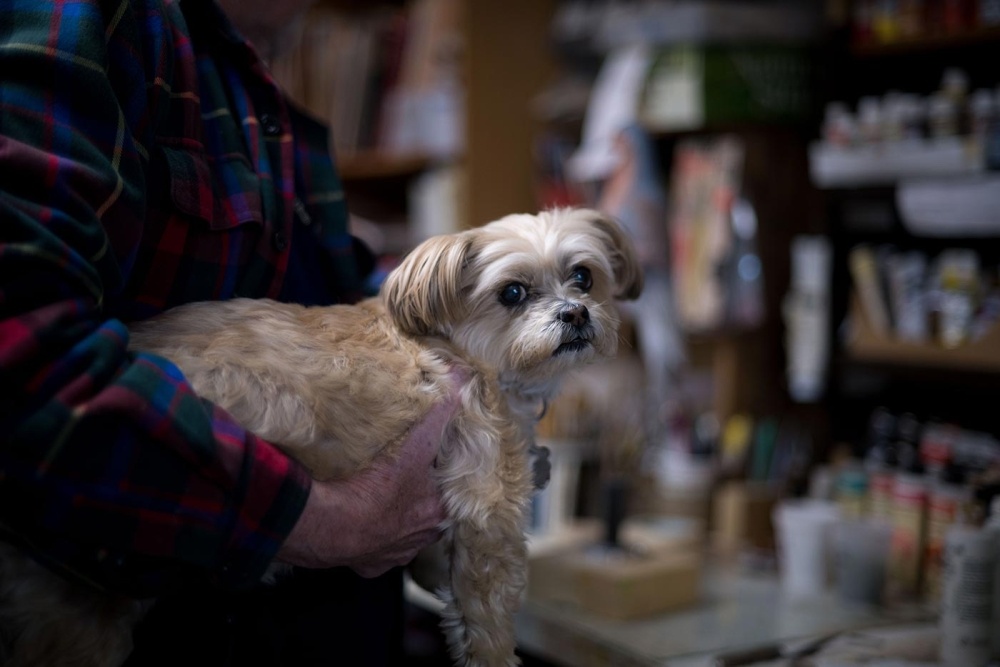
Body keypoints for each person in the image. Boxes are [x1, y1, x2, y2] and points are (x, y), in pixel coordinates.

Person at [0, 0, 460, 664]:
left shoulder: (253, 92)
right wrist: (329, 521)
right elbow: (24, 359)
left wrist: (460, 312)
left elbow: (334, 300)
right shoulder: (91, 20)